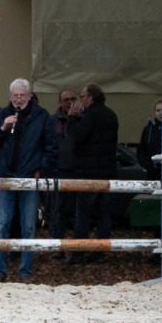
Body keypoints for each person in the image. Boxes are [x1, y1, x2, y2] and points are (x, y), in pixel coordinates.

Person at [0, 78, 57, 283]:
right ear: (10, 97)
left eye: (22, 96)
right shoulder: (1, 116)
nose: (18, 99)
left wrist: (40, 169)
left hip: (28, 178)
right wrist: (3, 128)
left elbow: (51, 146)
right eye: (15, 96)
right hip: (5, 178)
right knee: (1, 225)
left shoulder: (42, 117)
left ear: (30, 96)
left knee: (28, 226)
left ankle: (25, 271)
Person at [65, 84, 119, 264]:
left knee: (83, 214)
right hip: (108, 171)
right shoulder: (111, 115)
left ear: (91, 98)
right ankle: (100, 251)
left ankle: (80, 251)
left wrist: (72, 119)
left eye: (82, 96)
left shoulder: (90, 116)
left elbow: (75, 137)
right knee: (104, 214)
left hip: (88, 172)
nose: (80, 100)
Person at [48, 88, 78, 242]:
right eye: (66, 99)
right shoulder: (52, 121)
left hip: (78, 171)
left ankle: (76, 245)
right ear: (60, 102)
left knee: (77, 210)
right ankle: (56, 242)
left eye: (73, 98)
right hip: (59, 170)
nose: (70, 102)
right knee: (58, 208)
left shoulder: (82, 120)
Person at [137, 97, 162, 181]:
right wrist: (148, 165)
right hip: (153, 173)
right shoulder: (148, 128)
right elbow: (141, 149)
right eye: (158, 110)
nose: (160, 113)